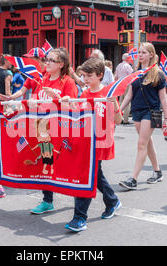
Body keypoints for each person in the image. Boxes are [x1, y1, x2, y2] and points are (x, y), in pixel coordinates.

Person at [62, 57, 123, 232]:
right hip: (86, 141)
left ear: (100, 75)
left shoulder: (108, 94)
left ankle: (79, 217)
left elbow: (118, 120)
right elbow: (78, 116)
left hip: (101, 141)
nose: (86, 79)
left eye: (89, 76)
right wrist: (66, 103)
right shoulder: (84, 94)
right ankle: (112, 201)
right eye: (84, 76)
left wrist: (115, 105)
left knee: (87, 176)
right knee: (94, 176)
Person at [29, 47, 78, 214]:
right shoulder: (43, 80)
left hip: (61, 131)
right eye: (46, 59)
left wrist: (56, 97)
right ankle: (47, 200)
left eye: (51, 60)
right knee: (46, 164)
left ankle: (83, 195)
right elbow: (35, 99)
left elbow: (72, 108)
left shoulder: (68, 82)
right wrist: (32, 102)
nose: (46, 63)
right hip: (43, 128)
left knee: (68, 166)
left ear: (61, 64)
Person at [118, 42, 167, 190]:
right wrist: (120, 110)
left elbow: (163, 98)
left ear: (151, 55)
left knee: (141, 143)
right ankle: (158, 171)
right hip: (137, 111)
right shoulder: (136, 73)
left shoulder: (158, 73)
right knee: (147, 142)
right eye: (139, 52)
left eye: (144, 52)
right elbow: (129, 95)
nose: (140, 55)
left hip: (151, 112)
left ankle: (133, 179)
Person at [115, 53, 134, 124]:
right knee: (127, 102)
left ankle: (119, 118)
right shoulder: (127, 66)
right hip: (127, 84)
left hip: (120, 84)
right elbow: (132, 75)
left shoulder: (118, 66)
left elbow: (116, 76)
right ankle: (125, 119)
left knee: (120, 102)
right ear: (127, 59)